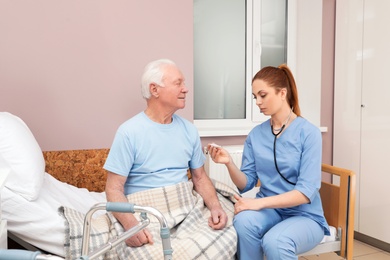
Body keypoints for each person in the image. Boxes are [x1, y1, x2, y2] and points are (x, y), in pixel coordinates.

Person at [207, 64, 330, 260]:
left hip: (305, 216)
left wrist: (258, 203)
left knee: (275, 241)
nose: (258, 102)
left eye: (263, 95)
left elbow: (306, 193)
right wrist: (228, 162)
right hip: (270, 211)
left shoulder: (309, 133)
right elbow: (246, 183)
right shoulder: (256, 135)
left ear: (282, 93)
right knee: (243, 222)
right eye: (255, 97)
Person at [103, 58, 228, 248]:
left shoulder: (189, 130)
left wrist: (216, 207)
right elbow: (113, 189)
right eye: (178, 83)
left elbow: (200, 178)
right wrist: (131, 226)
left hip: (185, 210)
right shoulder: (129, 132)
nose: (185, 89)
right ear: (154, 90)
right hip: (147, 213)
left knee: (227, 235)